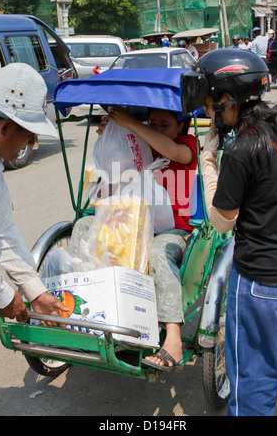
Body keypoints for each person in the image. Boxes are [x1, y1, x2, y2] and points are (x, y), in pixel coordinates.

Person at [181, 48, 277, 416]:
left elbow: (221, 220)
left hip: (260, 282)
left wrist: (209, 159)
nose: (207, 111)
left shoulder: (243, 149)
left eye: (209, 101)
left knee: (253, 381)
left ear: (227, 98)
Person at [98, 106, 198, 370]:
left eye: (163, 125)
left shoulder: (187, 145)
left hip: (175, 230)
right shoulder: (140, 145)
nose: (155, 129)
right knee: (88, 229)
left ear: (180, 126)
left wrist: (132, 123)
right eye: (151, 123)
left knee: (156, 251)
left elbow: (173, 152)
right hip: (135, 220)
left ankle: (173, 339)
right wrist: (113, 136)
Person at [0, 63, 68, 324]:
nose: (30, 145)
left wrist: (34, 290)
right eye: (28, 136)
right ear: (4, 128)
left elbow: (2, 233)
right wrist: (3, 296)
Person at [251, 26, 270, 90]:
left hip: (258, 59)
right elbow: (268, 35)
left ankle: (262, 87)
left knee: (259, 74)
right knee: (266, 73)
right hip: (265, 58)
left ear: (254, 34)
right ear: (260, 32)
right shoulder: (265, 38)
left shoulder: (254, 42)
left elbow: (253, 53)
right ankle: (268, 87)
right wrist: (267, 33)